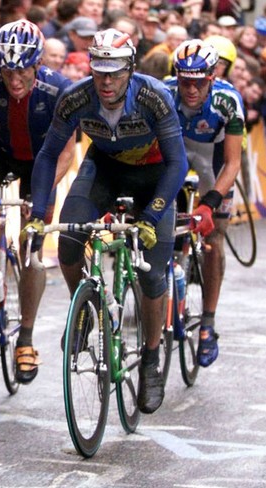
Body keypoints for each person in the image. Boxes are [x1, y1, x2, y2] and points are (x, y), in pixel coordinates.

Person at [23, 29, 188, 414]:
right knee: (68, 242)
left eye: (115, 73)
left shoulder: (153, 96)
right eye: (100, 72)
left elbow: (178, 161)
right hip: (105, 170)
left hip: (155, 176)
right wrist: (36, 213)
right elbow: (47, 156)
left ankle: (150, 359)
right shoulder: (77, 97)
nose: (107, 81)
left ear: (130, 68)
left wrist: (152, 214)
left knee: (152, 274)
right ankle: (86, 313)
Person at [0, 19, 73, 385]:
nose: (14, 80)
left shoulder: (58, 89)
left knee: (32, 249)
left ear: (37, 64)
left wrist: (38, 198)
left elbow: (66, 155)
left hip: (42, 160)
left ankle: (25, 337)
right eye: (7, 71)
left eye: (22, 70)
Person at [164, 39, 244, 367]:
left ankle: (208, 323)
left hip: (214, 161)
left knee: (214, 239)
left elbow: (233, 163)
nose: (191, 89)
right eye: (185, 81)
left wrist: (210, 204)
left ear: (212, 77)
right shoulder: (164, 94)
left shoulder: (228, 101)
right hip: (176, 156)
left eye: (199, 82)